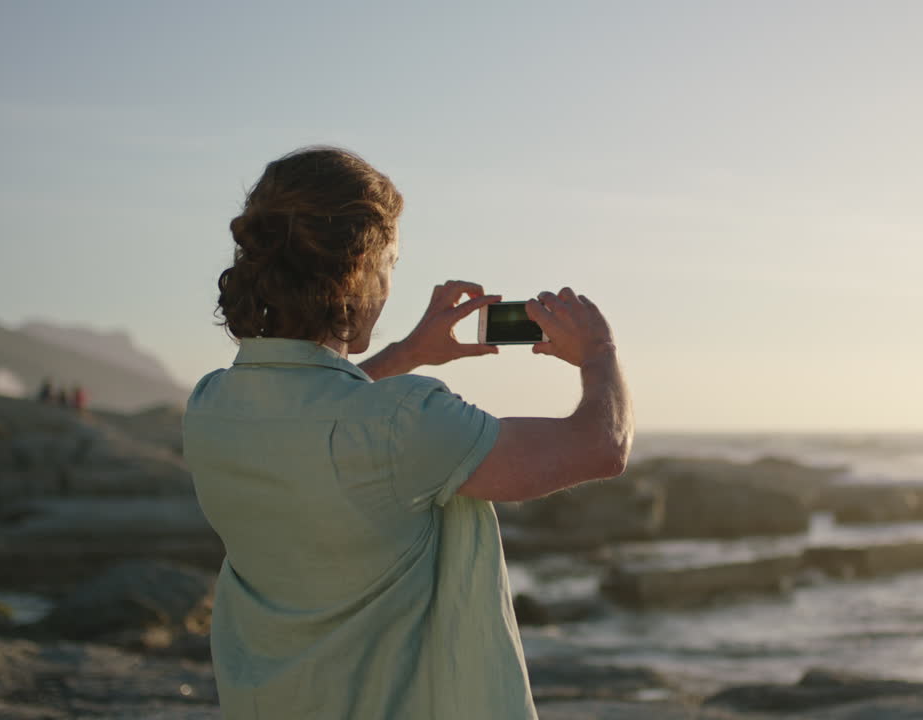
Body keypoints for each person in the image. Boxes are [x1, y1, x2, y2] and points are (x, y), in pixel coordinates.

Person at [182, 146, 633, 720]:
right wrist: (600, 354)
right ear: (360, 270)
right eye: (392, 261)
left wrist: (409, 352)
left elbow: (313, 410)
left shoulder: (212, 406)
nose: (391, 281)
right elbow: (601, 447)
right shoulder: (406, 423)